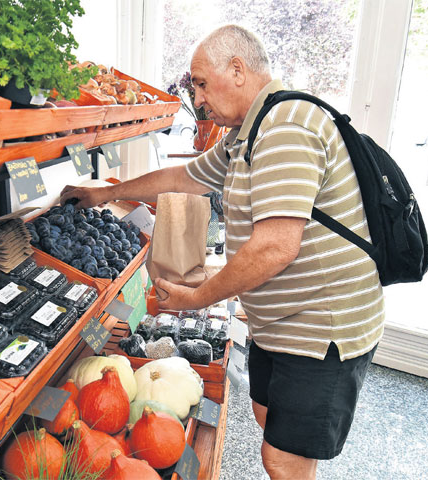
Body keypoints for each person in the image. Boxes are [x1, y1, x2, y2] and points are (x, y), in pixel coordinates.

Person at [60, 24, 384, 480]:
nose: (198, 98)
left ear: (237, 69)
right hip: (281, 323)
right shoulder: (246, 133)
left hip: (320, 328)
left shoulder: (284, 128)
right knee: (267, 417)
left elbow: (275, 247)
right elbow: (184, 178)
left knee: (283, 459)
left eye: (200, 82)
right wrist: (104, 193)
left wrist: (196, 299)